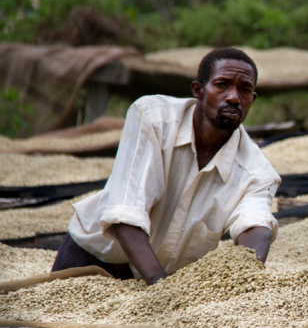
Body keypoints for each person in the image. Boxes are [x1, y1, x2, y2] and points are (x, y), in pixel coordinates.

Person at [53, 47, 280, 285]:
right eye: (222, 85)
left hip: (167, 280)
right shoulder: (153, 119)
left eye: (244, 90)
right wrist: (162, 291)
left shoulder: (257, 171)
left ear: (252, 100)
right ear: (198, 91)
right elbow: (125, 213)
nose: (233, 97)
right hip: (95, 258)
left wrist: (246, 278)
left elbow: (256, 225)